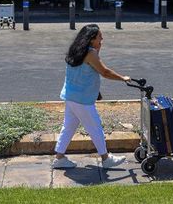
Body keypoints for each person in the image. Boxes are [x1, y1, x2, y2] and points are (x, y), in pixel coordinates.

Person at [52, 24, 129, 169]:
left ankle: (59, 158)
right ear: (91, 39)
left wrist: (97, 48)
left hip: (71, 95)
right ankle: (106, 159)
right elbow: (104, 72)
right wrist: (123, 78)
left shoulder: (77, 50)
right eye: (99, 36)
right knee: (95, 127)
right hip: (82, 100)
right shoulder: (90, 54)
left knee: (68, 127)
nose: (102, 39)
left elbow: (85, 73)